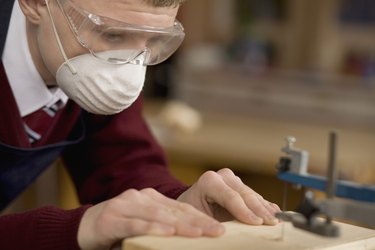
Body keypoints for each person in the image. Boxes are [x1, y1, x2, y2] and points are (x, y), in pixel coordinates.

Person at [0, 0, 280, 249]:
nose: (128, 65)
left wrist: (178, 204)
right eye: (112, 34)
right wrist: (81, 228)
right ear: (36, 3)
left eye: (152, 41)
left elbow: (124, 163)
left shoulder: (97, 59)